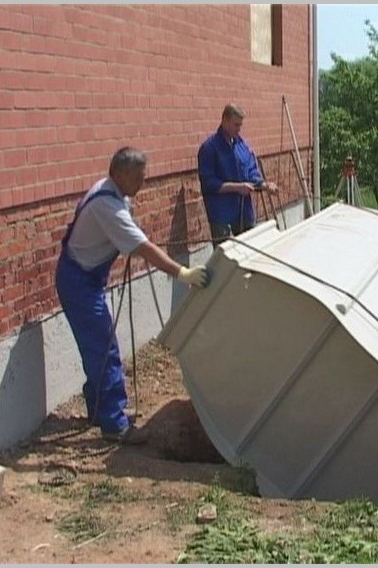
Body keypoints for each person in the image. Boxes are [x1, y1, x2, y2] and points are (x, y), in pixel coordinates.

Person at [55, 147, 210, 444]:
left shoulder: (115, 194)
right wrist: (182, 273)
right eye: (138, 177)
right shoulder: (107, 206)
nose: (142, 183)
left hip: (83, 276)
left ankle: (99, 410)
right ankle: (114, 425)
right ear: (119, 174)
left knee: (97, 346)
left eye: (144, 176)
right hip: (79, 282)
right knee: (104, 348)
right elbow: (143, 247)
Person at [198, 103, 278, 248]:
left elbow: (252, 172)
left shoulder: (242, 145)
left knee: (250, 250)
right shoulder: (209, 148)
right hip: (221, 213)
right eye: (236, 125)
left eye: (241, 125)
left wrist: (265, 185)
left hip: (244, 211)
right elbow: (208, 183)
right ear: (224, 121)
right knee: (226, 257)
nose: (239, 129)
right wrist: (236, 188)